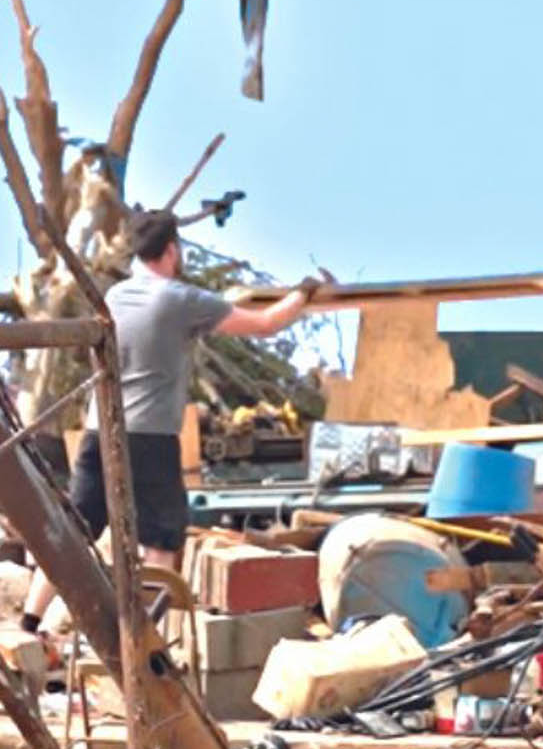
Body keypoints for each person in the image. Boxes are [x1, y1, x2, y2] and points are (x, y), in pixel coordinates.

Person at [21, 212, 324, 629]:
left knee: (74, 532)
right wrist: (303, 293)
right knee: (161, 538)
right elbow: (264, 325)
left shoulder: (111, 298)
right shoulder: (182, 299)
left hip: (99, 431)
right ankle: (148, 634)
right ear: (171, 251)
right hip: (150, 436)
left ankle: (28, 621)